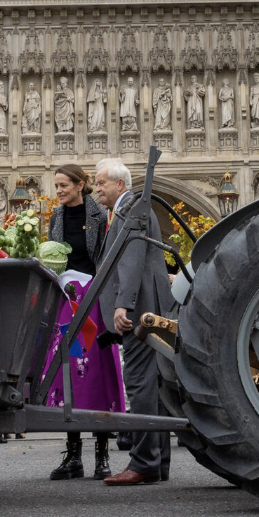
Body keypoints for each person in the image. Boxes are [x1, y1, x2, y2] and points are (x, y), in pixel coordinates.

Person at [93, 158, 174, 485]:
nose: (97, 189)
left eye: (101, 183)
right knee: (153, 386)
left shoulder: (132, 209)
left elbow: (132, 259)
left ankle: (143, 463)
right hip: (148, 304)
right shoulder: (131, 208)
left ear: (120, 184)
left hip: (139, 308)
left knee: (140, 382)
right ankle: (158, 463)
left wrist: (123, 305)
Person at [43, 164, 122, 480]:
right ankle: (73, 455)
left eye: (63, 185)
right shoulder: (56, 218)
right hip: (67, 300)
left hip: (94, 301)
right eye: (57, 185)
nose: (59, 191)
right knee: (69, 374)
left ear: (80, 185)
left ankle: (102, 455)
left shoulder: (100, 217)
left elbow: (104, 259)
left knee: (96, 375)